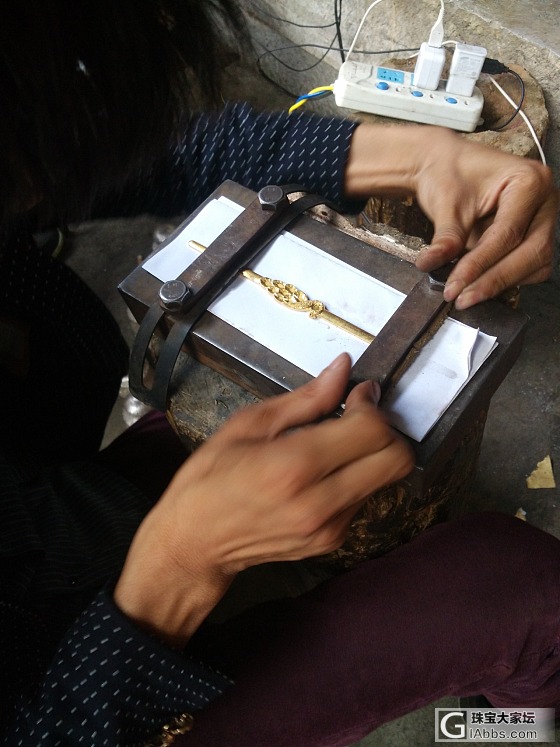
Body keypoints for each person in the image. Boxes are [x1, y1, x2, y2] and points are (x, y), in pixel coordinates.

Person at [1, 1, 559, 744]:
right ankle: (515, 732)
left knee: (298, 422)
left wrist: (415, 156)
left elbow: (135, 155)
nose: (44, 191)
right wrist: (177, 568)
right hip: (68, 701)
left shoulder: (29, 151)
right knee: (529, 594)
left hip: (46, 519)